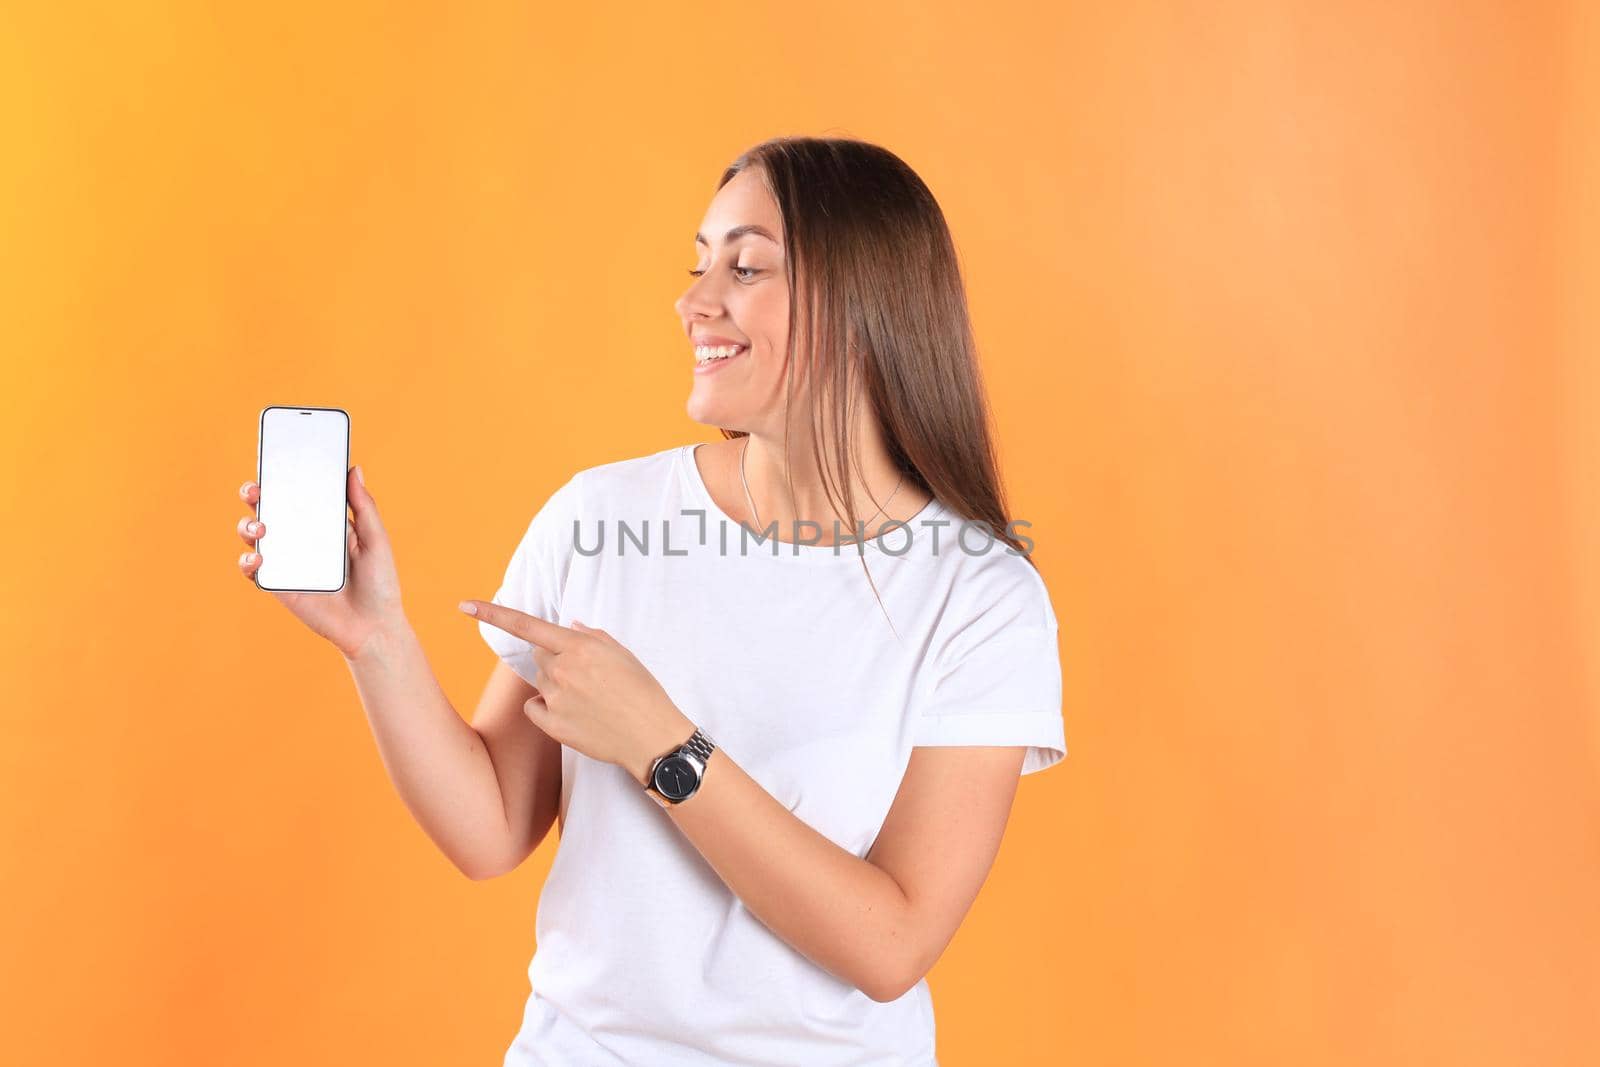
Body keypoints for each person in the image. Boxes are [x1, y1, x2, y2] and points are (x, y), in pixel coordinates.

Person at [235, 136, 1066, 1067]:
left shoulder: (980, 596)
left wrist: (664, 745)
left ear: (862, 306)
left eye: (744, 266)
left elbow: (892, 943)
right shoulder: (599, 517)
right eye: (699, 263)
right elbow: (491, 827)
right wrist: (375, 638)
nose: (694, 301)